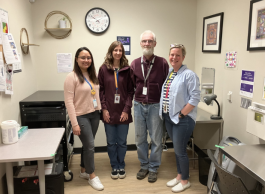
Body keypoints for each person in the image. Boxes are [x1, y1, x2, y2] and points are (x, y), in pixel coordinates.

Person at [159, 44, 200, 193]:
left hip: (183, 119)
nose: (174, 57)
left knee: (181, 150)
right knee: (176, 149)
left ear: (183, 57)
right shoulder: (171, 72)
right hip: (170, 118)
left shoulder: (189, 75)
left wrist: (182, 114)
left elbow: (195, 98)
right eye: (172, 54)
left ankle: (185, 180)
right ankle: (179, 175)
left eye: (178, 55)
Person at [130, 30, 169, 182]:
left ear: (155, 44)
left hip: (155, 106)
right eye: (144, 41)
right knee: (140, 139)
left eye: (150, 41)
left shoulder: (163, 63)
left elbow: (167, 85)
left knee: (156, 139)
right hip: (139, 105)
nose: (147, 44)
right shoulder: (134, 63)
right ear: (140, 44)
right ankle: (144, 165)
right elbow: (133, 85)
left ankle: (153, 168)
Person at [64, 47, 104, 191]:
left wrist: (100, 110)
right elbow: (69, 102)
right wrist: (74, 124)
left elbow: (96, 94)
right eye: (83, 57)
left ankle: (83, 171)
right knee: (91, 145)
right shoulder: (72, 77)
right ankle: (92, 175)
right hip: (81, 116)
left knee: (88, 145)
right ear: (76, 59)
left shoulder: (93, 74)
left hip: (94, 114)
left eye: (88, 57)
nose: (86, 60)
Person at [98, 41, 134, 179]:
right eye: (115, 50)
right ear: (111, 52)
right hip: (109, 111)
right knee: (111, 142)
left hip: (123, 111)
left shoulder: (127, 69)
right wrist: (104, 109)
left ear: (122, 53)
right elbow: (100, 90)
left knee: (122, 142)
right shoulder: (103, 69)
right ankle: (114, 165)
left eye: (120, 50)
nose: (118, 52)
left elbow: (131, 91)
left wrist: (126, 110)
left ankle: (121, 164)